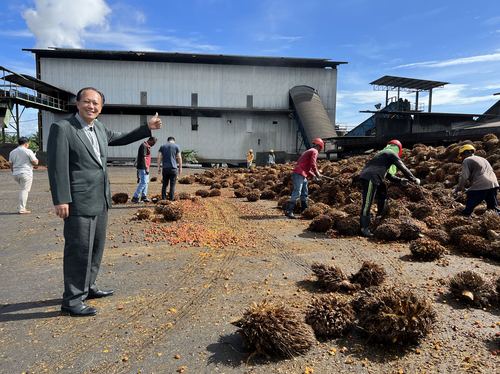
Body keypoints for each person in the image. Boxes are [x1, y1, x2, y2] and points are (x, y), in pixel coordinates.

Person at [47, 87, 162, 317]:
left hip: (100, 198)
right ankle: (71, 300)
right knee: (78, 249)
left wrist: (146, 128)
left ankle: (88, 287)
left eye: (96, 104)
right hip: (78, 200)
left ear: (101, 108)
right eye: (87, 102)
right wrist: (61, 199)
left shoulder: (98, 127)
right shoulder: (63, 128)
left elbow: (120, 139)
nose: (92, 106)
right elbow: (57, 165)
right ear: (78, 103)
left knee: (96, 247)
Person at [358, 139, 420, 237]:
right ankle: (364, 228)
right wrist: (413, 179)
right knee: (367, 203)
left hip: (369, 177)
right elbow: (403, 167)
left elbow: (388, 175)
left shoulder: (382, 154)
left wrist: (400, 180)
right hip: (371, 178)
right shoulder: (391, 153)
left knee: (378, 195)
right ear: (398, 149)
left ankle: (377, 218)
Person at [453, 144, 500, 216]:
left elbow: (464, 176)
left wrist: (459, 187)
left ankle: (464, 218)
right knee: (493, 208)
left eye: (462, 155)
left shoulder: (467, 160)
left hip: (482, 184)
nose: (462, 157)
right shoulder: (483, 159)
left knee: (468, 207)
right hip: (493, 183)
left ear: (466, 152)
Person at [285, 138, 324, 219]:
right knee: (297, 191)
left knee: (304, 192)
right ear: (319, 146)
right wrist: (317, 174)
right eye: (320, 148)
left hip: (302, 174)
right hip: (299, 174)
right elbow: (313, 164)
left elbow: (306, 168)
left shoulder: (308, 151)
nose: (320, 150)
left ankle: (304, 210)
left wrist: (313, 175)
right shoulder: (314, 151)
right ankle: (289, 211)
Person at [8, 136, 38, 214]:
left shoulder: (12, 152)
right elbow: (35, 162)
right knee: (24, 190)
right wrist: (36, 159)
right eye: (28, 143)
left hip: (16, 174)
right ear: (26, 143)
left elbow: (10, 164)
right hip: (26, 173)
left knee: (23, 189)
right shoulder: (28, 151)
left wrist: (13, 172)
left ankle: (22, 207)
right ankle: (22, 209)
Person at [131, 136, 157, 203]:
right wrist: (146, 168)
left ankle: (144, 196)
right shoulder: (144, 146)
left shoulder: (146, 146)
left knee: (146, 182)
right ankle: (135, 197)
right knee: (143, 182)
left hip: (145, 167)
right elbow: (144, 157)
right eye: (153, 143)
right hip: (143, 167)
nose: (153, 145)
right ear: (150, 140)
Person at [158, 136, 182, 200]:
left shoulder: (162, 146)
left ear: (167, 140)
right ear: (174, 140)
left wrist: (159, 167)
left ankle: (163, 199)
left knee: (164, 185)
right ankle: (171, 199)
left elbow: (159, 157)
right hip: (173, 168)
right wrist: (180, 168)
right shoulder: (176, 146)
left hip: (165, 168)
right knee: (172, 185)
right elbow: (179, 157)